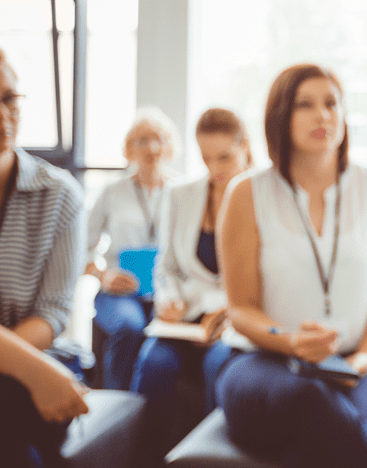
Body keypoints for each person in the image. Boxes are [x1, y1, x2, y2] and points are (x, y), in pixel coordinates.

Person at [215, 64, 367, 467]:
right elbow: (240, 308)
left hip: (356, 364)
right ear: (281, 115)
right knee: (311, 400)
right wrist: (290, 342)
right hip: (263, 362)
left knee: (338, 428)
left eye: (332, 103)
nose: (323, 115)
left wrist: (364, 359)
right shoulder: (246, 192)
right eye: (306, 105)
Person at [0, 39, 88, 467]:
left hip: (38, 366)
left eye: (9, 97)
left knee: (8, 398)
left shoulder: (60, 195)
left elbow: (52, 313)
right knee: (14, 450)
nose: (1, 113)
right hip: (18, 382)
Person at [128, 107, 248, 466]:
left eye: (225, 157)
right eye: (206, 158)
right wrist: (168, 299)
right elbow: (164, 267)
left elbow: (269, 278)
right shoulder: (181, 195)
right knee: (153, 363)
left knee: (217, 365)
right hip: (184, 322)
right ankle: (145, 459)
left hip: (231, 324)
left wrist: (229, 312)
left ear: (245, 148)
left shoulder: (262, 197)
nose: (216, 169)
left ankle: (211, 460)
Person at [85, 108, 178, 390]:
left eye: (159, 139)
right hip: (120, 291)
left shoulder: (183, 190)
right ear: (129, 148)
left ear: (170, 145)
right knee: (129, 326)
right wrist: (104, 276)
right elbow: (82, 250)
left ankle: (152, 417)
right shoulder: (111, 191)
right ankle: (116, 413)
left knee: (163, 337)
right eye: (142, 140)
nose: (152, 147)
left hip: (165, 290)